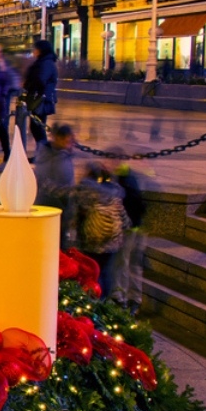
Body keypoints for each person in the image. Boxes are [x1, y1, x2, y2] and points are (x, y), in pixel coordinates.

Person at [75, 162, 130, 299]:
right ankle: (104, 300)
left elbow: (79, 214)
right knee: (106, 272)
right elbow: (125, 220)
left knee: (93, 272)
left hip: (92, 242)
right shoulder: (115, 194)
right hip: (111, 243)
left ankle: (93, 300)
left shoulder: (87, 193)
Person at [112, 163, 147, 313]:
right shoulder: (129, 177)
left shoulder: (122, 181)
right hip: (135, 226)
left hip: (129, 228)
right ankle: (134, 299)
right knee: (133, 264)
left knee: (124, 263)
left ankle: (123, 299)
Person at [34, 123, 77, 247]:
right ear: (58, 138)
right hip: (55, 211)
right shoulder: (59, 161)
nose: (71, 143)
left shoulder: (45, 154)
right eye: (68, 140)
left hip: (45, 209)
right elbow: (63, 191)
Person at [24, 39, 59, 144]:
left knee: (37, 127)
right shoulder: (43, 62)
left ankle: (42, 153)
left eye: (36, 49)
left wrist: (27, 85)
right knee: (36, 127)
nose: (34, 51)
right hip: (39, 98)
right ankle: (41, 153)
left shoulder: (46, 63)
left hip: (41, 99)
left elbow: (40, 80)